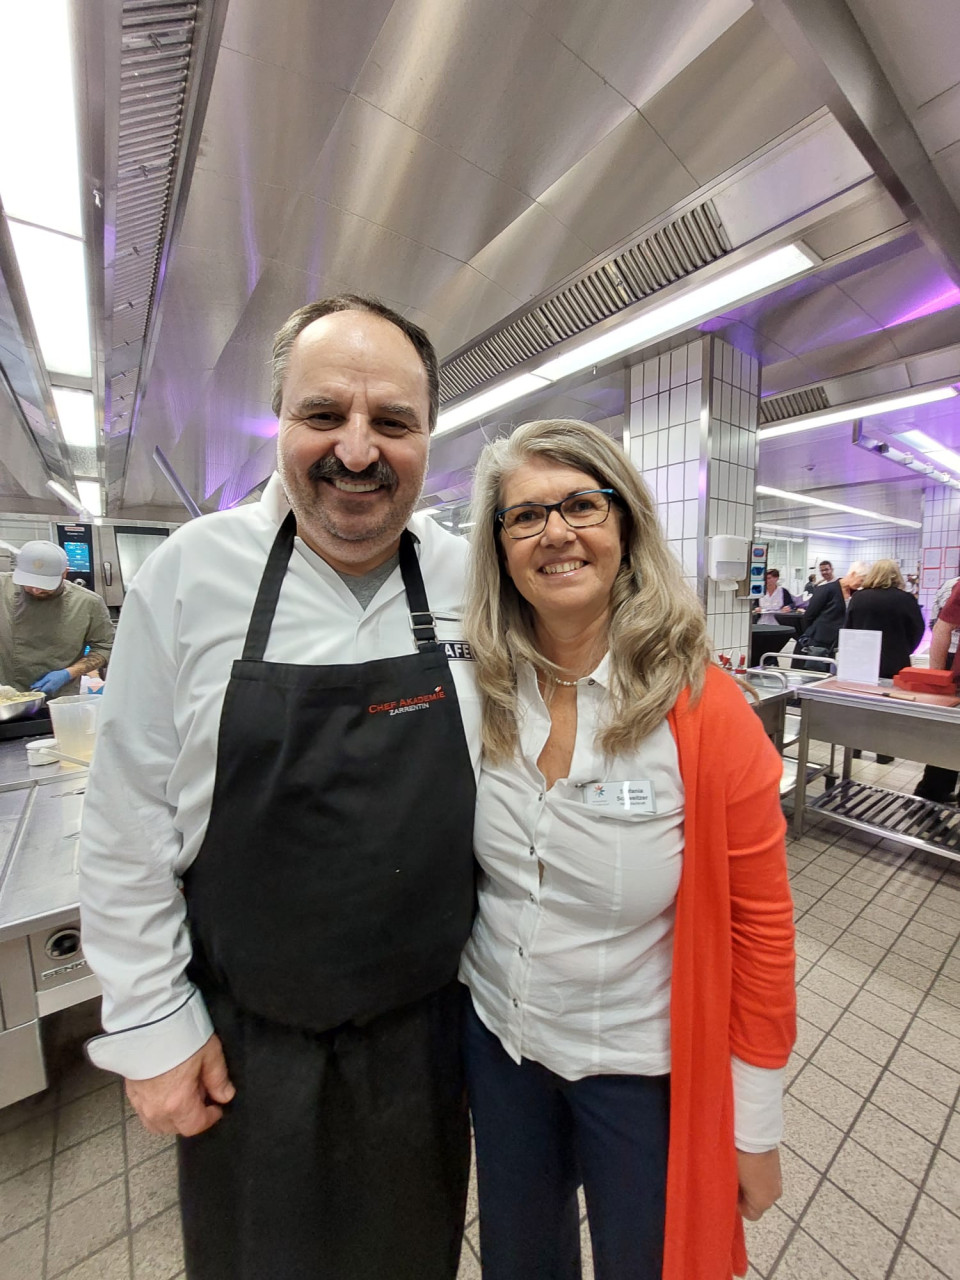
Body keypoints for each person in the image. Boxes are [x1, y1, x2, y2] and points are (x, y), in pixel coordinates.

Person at [79, 295, 482, 1280]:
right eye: (323, 416)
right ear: (279, 425)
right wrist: (150, 1025)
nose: (357, 449)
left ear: (429, 437)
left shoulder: (474, 580)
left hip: (429, 1043)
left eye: (392, 421)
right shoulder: (193, 573)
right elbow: (125, 819)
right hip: (246, 1052)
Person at [459, 419, 796, 1280]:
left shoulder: (706, 714)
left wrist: (751, 1127)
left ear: (626, 526)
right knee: (521, 1263)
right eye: (525, 516)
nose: (556, 533)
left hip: (637, 1071)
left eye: (581, 504)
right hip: (502, 1047)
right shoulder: (482, 693)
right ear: (499, 549)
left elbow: (761, 933)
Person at [0, 540, 114, 696]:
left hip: (58, 700)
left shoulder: (88, 603)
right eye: (28, 583)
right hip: (4, 699)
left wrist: (69, 672)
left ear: (65, 573)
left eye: (44, 584)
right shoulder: (2, 587)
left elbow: (105, 646)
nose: (36, 590)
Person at [844, 560, 925, 765]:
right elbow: (918, 629)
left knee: (860, 704)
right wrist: (905, 649)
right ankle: (883, 753)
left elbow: (849, 627)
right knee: (887, 707)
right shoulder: (906, 599)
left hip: (861, 661)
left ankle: (854, 748)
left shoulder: (859, 597)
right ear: (896, 575)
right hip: (894, 661)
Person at [915, 575, 960, 803]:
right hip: (953, 667)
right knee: (950, 735)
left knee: (950, 737)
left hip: (950, 662)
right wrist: (938, 679)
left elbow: (936, 624)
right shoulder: (954, 586)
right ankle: (932, 792)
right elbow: (942, 626)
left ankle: (933, 790)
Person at [798, 560, 868, 660]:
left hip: (841, 644)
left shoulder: (856, 595)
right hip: (819, 644)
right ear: (853, 574)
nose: (861, 585)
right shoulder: (826, 590)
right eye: (861, 580)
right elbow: (809, 616)